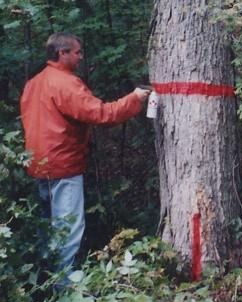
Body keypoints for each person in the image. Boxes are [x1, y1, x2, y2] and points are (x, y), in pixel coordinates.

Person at [20, 32, 150, 286]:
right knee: (67, 231)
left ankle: (45, 286)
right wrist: (134, 99)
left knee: (48, 232)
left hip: (38, 167)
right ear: (62, 53)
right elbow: (101, 114)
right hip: (63, 168)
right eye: (77, 52)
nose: (81, 57)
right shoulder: (65, 84)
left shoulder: (34, 83)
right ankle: (64, 293)